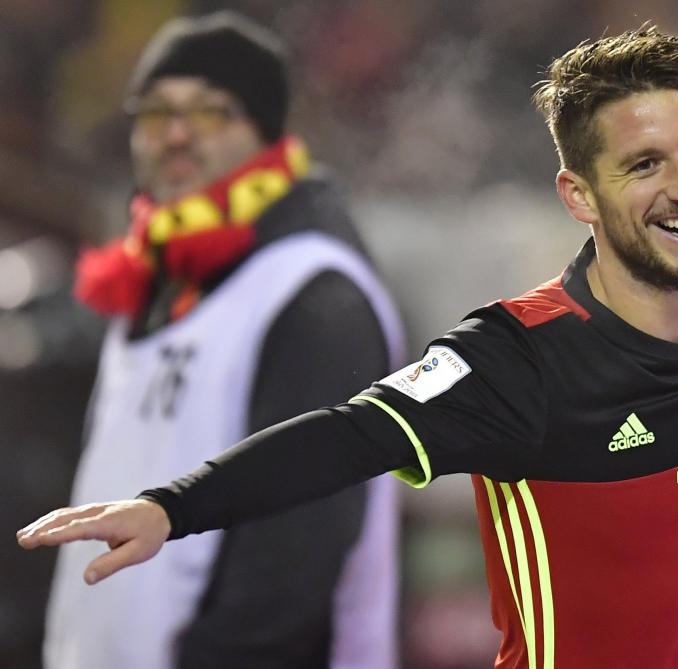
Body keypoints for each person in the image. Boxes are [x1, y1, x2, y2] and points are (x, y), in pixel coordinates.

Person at [19, 25, 678, 668]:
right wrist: (172, 506)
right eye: (643, 165)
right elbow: (347, 437)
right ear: (577, 194)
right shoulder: (517, 361)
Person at [39, 11, 404, 669]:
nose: (177, 133)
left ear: (265, 133)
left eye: (212, 111)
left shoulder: (312, 294)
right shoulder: (156, 276)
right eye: (157, 111)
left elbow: (291, 565)